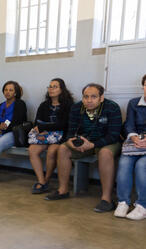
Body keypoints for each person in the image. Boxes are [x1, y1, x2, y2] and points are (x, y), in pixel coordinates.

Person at [45, 83, 122, 213]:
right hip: (84, 141)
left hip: (106, 142)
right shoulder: (76, 108)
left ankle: (106, 199)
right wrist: (70, 141)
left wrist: (93, 145)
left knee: (105, 153)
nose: (89, 100)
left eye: (93, 97)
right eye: (86, 97)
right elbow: (70, 131)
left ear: (101, 98)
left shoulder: (112, 108)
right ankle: (63, 190)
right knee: (63, 149)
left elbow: (113, 136)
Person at [29, 78, 74, 194]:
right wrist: (40, 130)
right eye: (49, 86)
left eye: (55, 86)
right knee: (32, 150)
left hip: (61, 137)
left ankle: (46, 180)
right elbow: (37, 122)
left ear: (62, 89)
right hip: (45, 136)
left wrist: (45, 128)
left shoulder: (68, 105)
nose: (51, 89)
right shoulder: (44, 105)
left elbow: (64, 125)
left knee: (52, 151)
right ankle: (41, 180)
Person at [114, 74, 146, 220]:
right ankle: (123, 202)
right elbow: (129, 124)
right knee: (124, 162)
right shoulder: (133, 103)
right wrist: (133, 137)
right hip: (135, 142)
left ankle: (142, 205)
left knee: (141, 165)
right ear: (143, 86)